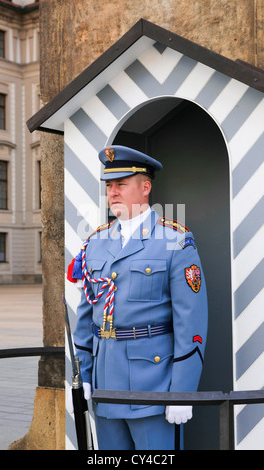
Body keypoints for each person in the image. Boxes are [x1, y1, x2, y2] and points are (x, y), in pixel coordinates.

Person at [67, 145, 208, 450]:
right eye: (109, 186)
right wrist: (84, 374)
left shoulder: (174, 240)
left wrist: (182, 392)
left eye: (121, 184)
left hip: (153, 387)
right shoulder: (95, 243)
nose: (113, 192)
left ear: (145, 187)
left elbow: (191, 323)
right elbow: (86, 316)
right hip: (105, 387)